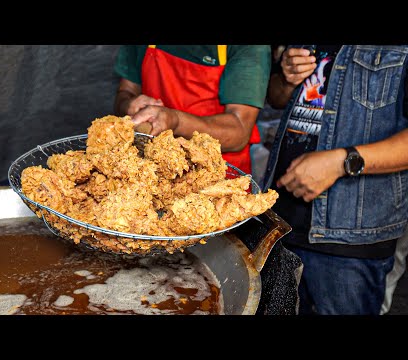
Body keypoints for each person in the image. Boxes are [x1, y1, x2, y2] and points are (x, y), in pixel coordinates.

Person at [263, 45, 408, 315]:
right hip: (280, 223)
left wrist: (342, 162)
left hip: (349, 241)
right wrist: (285, 79)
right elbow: (276, 98)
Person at [113, 45, 271, 175]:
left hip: (217, 173)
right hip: (151, 168)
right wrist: (128, 105)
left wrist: (175, 121)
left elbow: (239, 131)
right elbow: (125, 92)